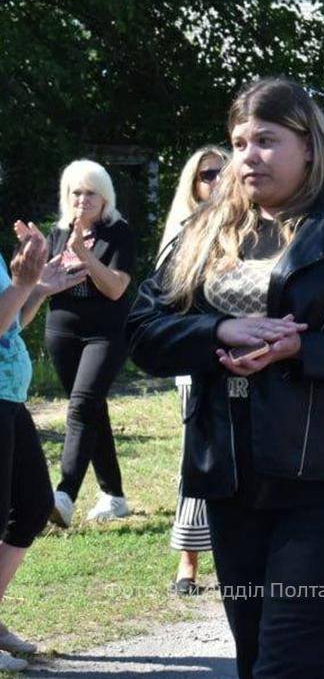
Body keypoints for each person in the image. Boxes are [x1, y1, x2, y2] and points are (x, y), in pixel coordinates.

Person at [126, 78, 324, 677]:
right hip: (234, 478)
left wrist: (303, 348)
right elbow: (142, 331)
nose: (248, 156)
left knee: (292, 665)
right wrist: (216, 331)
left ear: (310, 145)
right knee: (257, 661)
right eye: (239, 143)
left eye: (266, 140)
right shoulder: (206, 230)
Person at [21, 160, 135, 527]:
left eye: (90, 193)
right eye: (76, 192)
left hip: (106, 333)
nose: (82, 200)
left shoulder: (118, 232)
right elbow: (37, 284)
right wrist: (29, 262)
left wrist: (85, 255)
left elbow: (116, 288)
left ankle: (64, 495)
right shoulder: (57, 233)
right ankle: (114, 495)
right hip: (62, 332)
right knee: (90, 409)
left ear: (105, 198)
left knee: (82, 405)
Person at [158, 146, 228, 596]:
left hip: (253, 363)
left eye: (226, 172)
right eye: (208, 174)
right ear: (193, 183)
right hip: (197, 364)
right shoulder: (181, 237)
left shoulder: (256, 228)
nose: (219, 180)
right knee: (198, 459)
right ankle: (189, 563)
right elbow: (164, 313)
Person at [0, 220, 56, 671]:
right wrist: (23, 282)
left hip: (9, 396)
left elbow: (10, 325)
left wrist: (35, 288)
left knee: (33, 504)